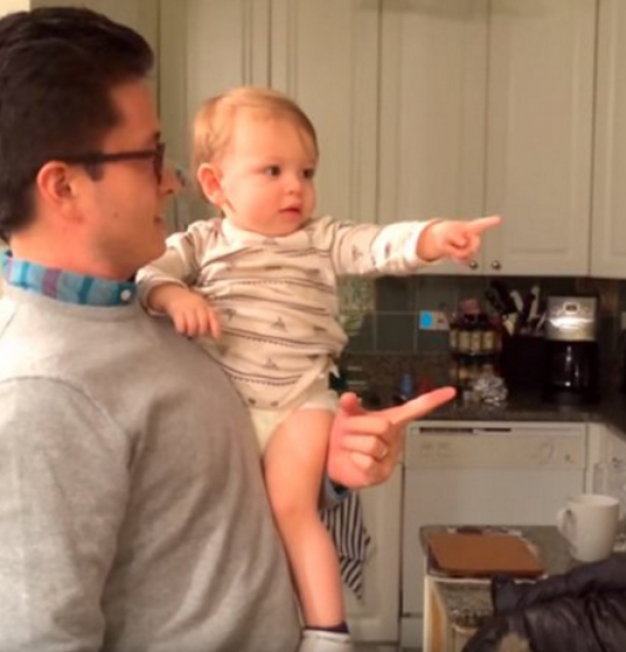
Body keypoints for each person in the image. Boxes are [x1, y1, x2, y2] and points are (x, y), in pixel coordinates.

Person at [0, 7, 456, 652]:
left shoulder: (147, 306)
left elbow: (204, 501)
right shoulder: (38, 392)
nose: (174, 179)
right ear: (63, 185)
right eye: (150, 156)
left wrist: (329, 460)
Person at [135, 85, 499, 649]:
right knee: (225, 520)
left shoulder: (321, 239)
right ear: (214, 185)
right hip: (225, 405)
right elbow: (148, 275)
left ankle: (328, 632)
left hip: (300, 405)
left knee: (293, 508)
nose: (295, 188)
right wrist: (173, 297)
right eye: (273, 170)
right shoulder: (201, 243)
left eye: (306, 172)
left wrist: (431, 237)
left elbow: (379, 245)